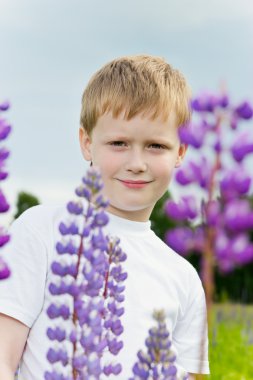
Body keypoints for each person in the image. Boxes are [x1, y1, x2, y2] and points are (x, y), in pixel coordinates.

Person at [0, 55, 209, 379]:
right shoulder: (40, 230)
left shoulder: (183, 278)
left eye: (155, 145)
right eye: (119, 143)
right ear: (87, 143)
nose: (137, 162)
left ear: (180, 152)